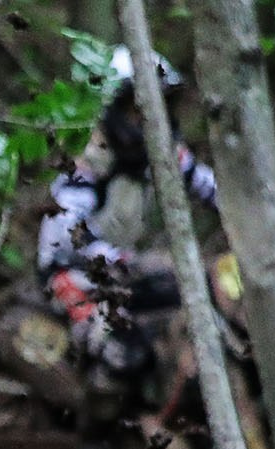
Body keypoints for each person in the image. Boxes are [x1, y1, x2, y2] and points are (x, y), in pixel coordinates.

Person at [37, 47, 216, 401]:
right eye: (139, 111)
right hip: (72, 276)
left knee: (197, 295)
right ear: (116, 110)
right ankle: (97, 434)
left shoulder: (163, 156)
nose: (150, 121)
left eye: (159, 109)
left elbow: (210, 188)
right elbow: (64, 234)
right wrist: (112, 258)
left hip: (125, 268)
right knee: (126, 350)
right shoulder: (89, 164)